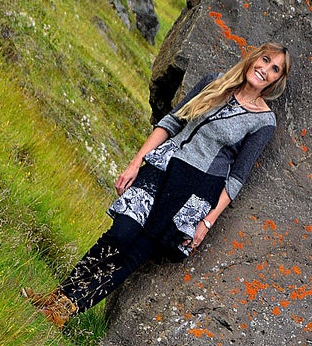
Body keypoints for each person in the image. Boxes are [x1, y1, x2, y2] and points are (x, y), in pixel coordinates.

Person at [25, 42, 291, 327]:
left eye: (274, 68)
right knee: (121, 234)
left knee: (134, 255)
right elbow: (172, 122)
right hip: (162, 167)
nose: (265, 69)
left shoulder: (264, 120)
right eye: (265, 60)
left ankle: (64, 309)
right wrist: (136, 161)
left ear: (277, 79)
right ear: (254, 58)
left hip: (195, 190)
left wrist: (208, 222)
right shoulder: (214, 83)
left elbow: (238, 175)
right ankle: (57, 295)